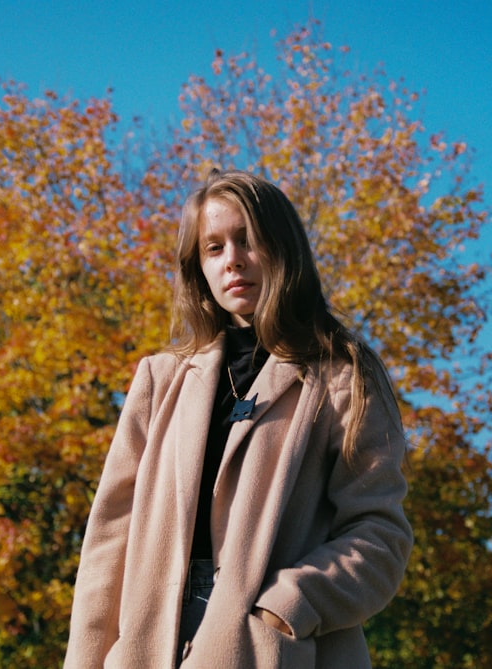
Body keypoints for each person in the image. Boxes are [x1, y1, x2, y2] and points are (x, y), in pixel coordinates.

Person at [63, 169, 413, 668]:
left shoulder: (343, 377)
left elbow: (380, 535)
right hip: (147, 644)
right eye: (214, 247)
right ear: (198, 266)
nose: (233, 261)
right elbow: (107, 544)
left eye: (248, 240)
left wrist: (289, 605)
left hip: (276, 646)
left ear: (283, 247)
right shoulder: (160, 380)